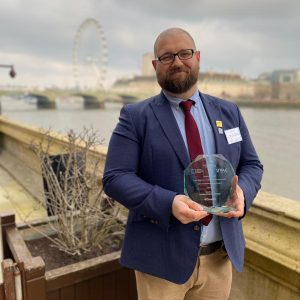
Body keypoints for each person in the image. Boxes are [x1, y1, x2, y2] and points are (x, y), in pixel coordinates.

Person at [103, 27, 263, 300]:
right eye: (166, 57)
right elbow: (115, 177)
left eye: (184, 53)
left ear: (197, 57)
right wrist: (168, 203)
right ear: (155, 66)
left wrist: (242, 193)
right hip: (160, 262)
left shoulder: (229, 111)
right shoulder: (136, 116)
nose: (177, 61)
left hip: (219, 258)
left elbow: (251, 165)